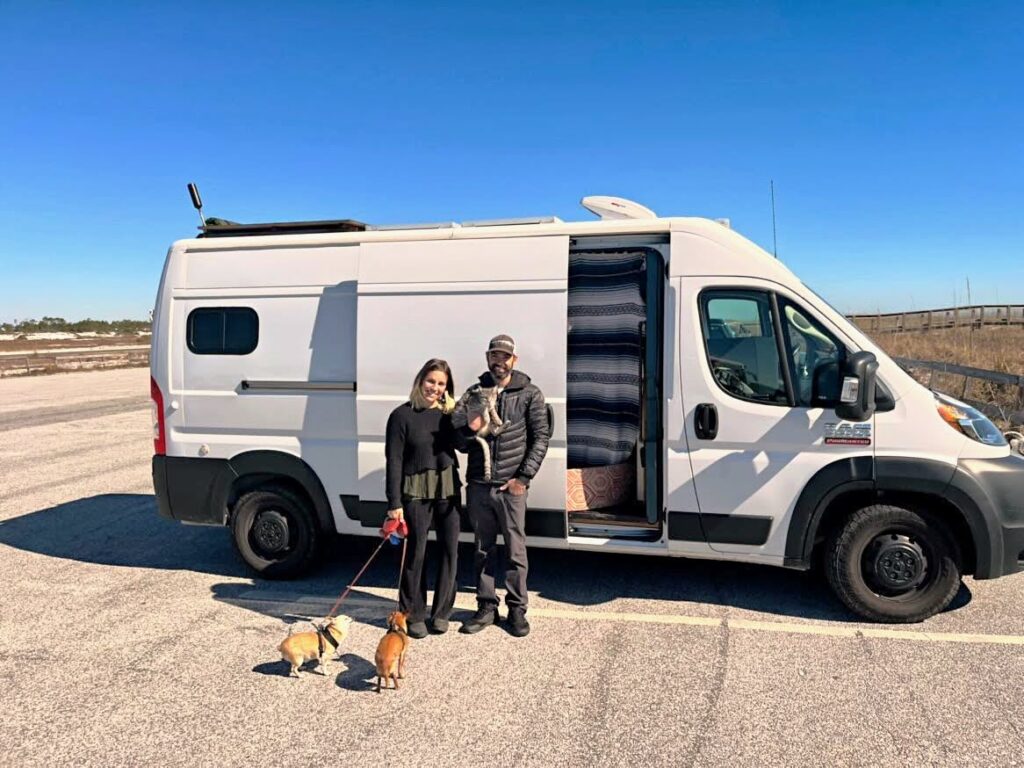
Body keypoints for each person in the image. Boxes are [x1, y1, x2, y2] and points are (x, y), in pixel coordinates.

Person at [452, 334, 550, 637]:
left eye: (505, 356)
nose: (499, 362)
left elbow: (540, 438)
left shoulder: (530, 393)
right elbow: (458, 439)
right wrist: (469, 431)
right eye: (494, 356)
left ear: (514, 360)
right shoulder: (474, 393)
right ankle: (486, 607)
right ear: (487, 358)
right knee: (483, 548)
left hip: (511, 487)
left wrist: (523, 478)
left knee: (515, 550)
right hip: (480, 484)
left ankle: (517, 609)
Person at [384, 358, 462, 639]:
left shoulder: (448, 414)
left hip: (448, 485)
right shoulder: (401, 416)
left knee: (450, 550)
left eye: (441, 384)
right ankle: (413, 613)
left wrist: (459, 420)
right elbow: (393, 461)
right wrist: (394, 503)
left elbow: (463, 446)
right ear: (420, 381)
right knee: (416, 552)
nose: (436, 388)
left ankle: (441, 613)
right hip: (415, 489)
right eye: (431, 381)